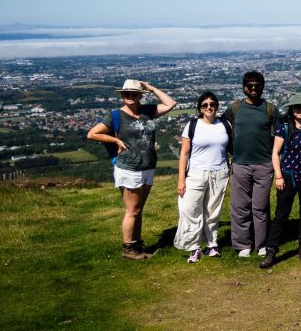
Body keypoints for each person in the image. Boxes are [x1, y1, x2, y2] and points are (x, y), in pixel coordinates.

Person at [87, 79, 176, 259]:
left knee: (138, 210)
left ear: (139, 96)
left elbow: (171, 103)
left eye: (134, 94)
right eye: (126, 94)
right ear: (122, 96)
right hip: (129, 168)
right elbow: (92, 134)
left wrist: (150, 88)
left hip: (147, 166)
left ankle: (136, 244)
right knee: (132, 210)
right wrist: (116, 140)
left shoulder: (147, 111)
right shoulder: (115, 116)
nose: (130, 96)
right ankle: (128, 249)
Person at [260, 93, 301, 267]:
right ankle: (271, 250)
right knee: (281, 216)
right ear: (291, 109)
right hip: (288, 177)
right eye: (297, 107)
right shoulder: (284, 128)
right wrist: (279, 176)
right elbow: (275, 152)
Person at [221, 71, 281, 258]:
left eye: (257, 85)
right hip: (240, 163)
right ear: (244, 87)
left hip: (264, 164)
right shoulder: (235, 108)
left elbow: (280, 135)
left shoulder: (270, 109)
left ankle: (262, 243)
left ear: (262, 86)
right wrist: (232, 149)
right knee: (239, 206)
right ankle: (243, 244)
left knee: (260, 206)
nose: (254, 89)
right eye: (250, 86)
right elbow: (222, 128)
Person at [174, 91, 231, 263]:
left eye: (212, 104)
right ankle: (193, 246)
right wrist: (181, 179)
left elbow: (232, 148)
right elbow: (184, 154)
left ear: (217, 106)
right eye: (205, 105)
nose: (209, 107)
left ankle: (212, 245)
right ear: (200, 108)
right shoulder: (192, 125)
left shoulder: (225, 125)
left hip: (219, 172)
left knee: (213, 210)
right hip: (196, 172)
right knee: (190, 209)